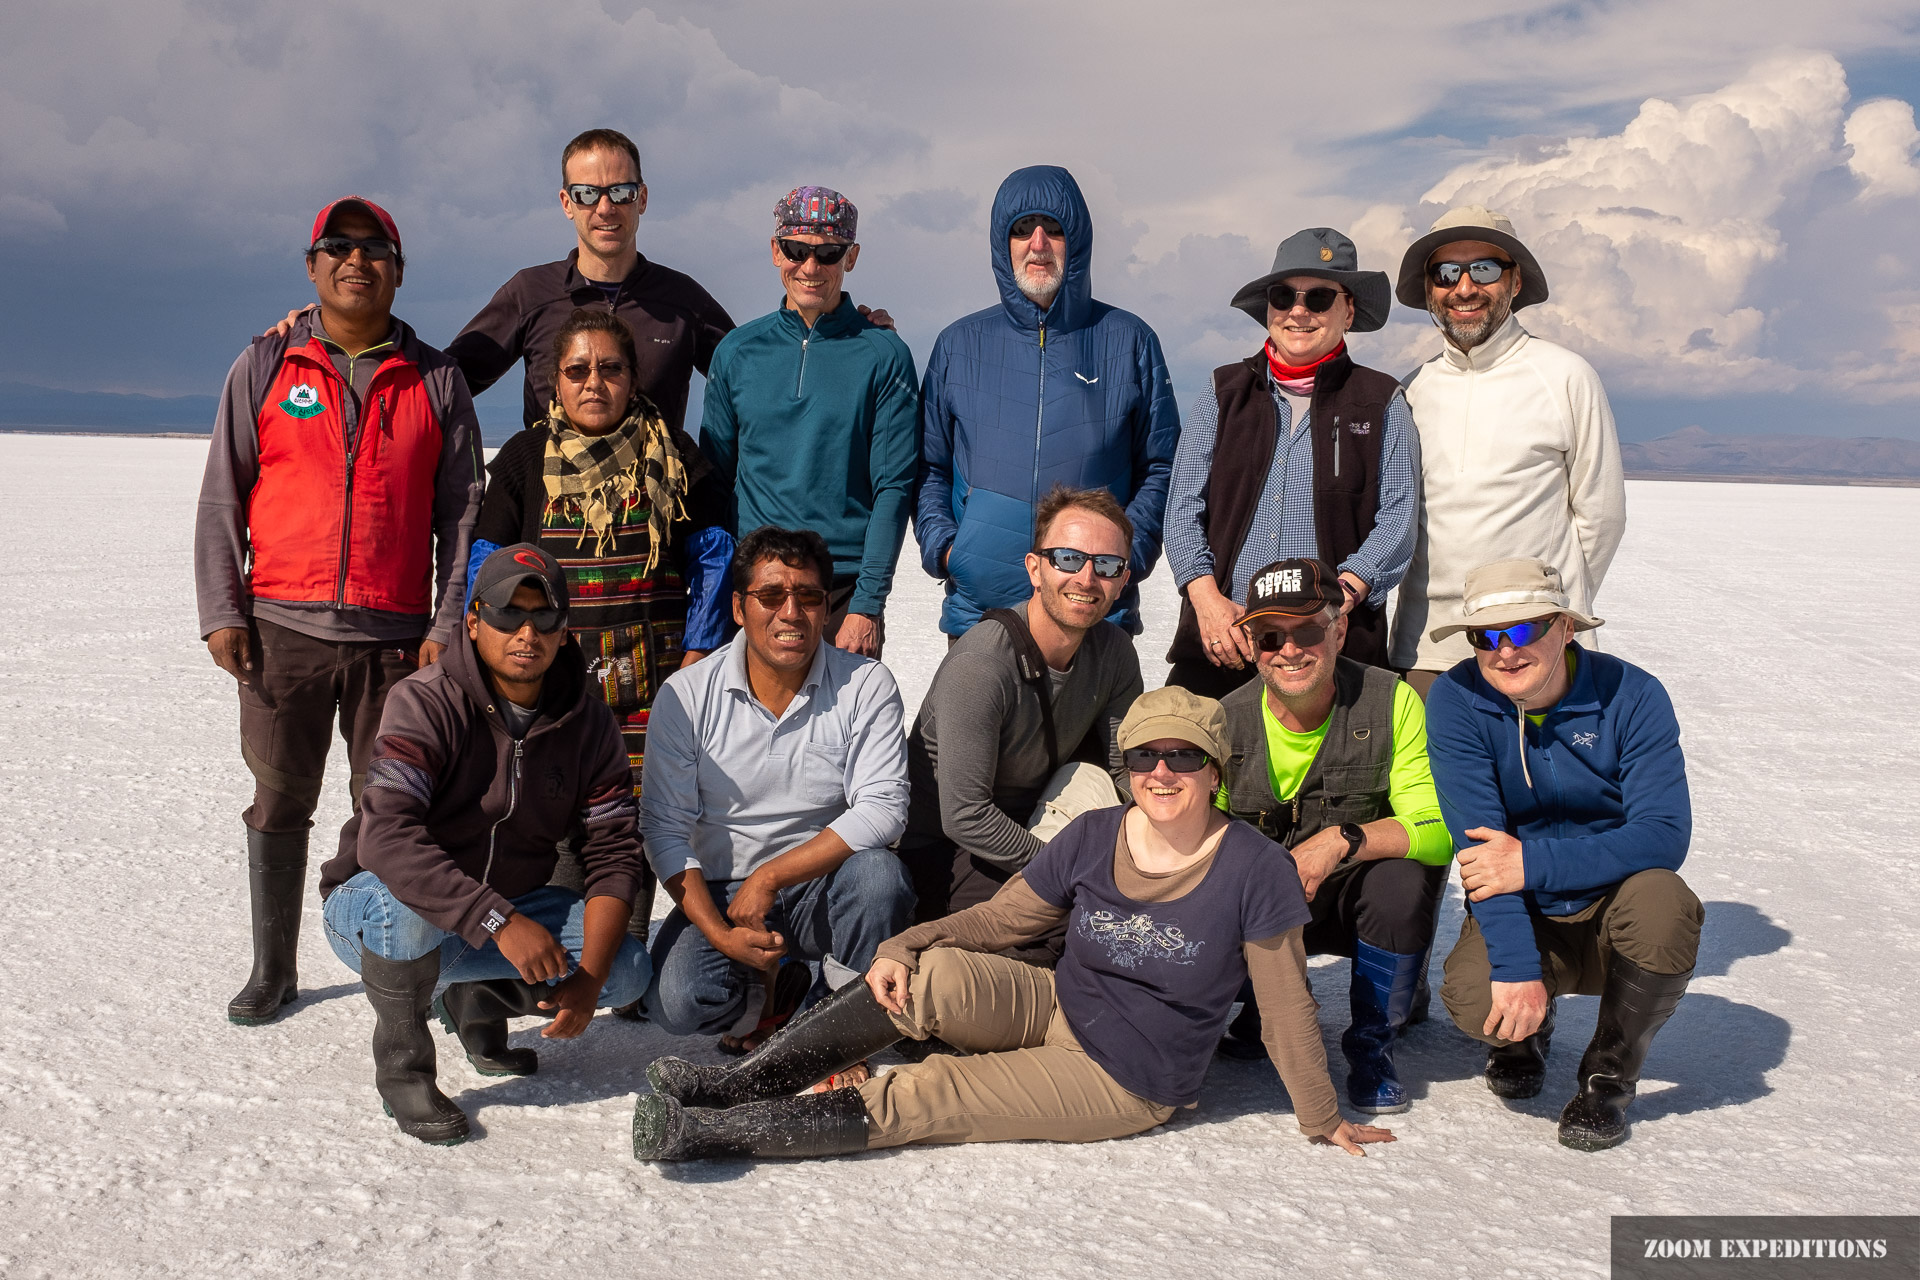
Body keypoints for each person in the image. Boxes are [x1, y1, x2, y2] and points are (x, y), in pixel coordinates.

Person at [631, 686, 1397, 1162]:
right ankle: (734, 1087)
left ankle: (713, 1133)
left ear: (1215, 771)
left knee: (938, 1094)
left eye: (1183, 757)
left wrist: (1322, 1116)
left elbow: (1287, 1002)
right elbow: (1004, 921)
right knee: (930, 978)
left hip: (1124, 1075)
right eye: (1144, 757)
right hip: (1060, 1003)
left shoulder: (1254, 869)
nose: (1161, 772)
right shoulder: (1097, 833)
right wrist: (902, 945)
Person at [196, 195, 483, 1027]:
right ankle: (273, 968)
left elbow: (461, 513)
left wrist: (443, 625)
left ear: (398, 268)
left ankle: (379, 955)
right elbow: (224, 492)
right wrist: (224, 607)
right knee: (281, 796)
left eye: (376, 249)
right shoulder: (268, 365)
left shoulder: (435, 378)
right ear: (313, 265)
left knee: (387, 806)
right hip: (280, 631)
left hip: (395, 641)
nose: (357, 261)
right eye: (339, 247)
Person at [318, 544, 653, 1144]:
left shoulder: (588, 722)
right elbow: (389, 839)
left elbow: (614, 851)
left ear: (563, 630)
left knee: (625, 970)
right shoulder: (424, 701)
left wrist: (590, 977)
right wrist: (496, 920)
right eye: (506, 614)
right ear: (473, 620)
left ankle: (472, 998)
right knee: (408, 905)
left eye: (543, 617)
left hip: (492, 914)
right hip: (372, 911)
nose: (526, 632)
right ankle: (404, 1073)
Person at [466, 308, 734, 971]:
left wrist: (699, 650)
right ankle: (557, 958)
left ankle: (625, 957)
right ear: (554, 381)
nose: (594, 383)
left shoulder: (672, 451)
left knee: (636, 819)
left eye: (610, 369)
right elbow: (487, 561)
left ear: (632, 377)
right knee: (553, 806)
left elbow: (712, 553)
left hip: (655, 676)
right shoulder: (527, 458)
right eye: (577, 370)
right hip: (552, 673)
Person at [1426, 557, 1700, 1151]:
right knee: (1477, 1004)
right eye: (1486, 636)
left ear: (1566, 629)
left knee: (1665, 903)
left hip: (1613, 910)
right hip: (1523, 909)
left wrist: (1533, 862)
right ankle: (1529, 1031)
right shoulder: (1456, 699)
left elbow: (1663, 834)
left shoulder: (1632, 694)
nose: (1505, 651)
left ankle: (1608, 1079)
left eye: (1524, 630)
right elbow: (1481, 853)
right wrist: (1518, 972)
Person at [639, 526, 914, 1054]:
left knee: (880, 877)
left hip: (823, 885)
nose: (791, 612)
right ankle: (769, 995)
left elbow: (883, 809)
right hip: (721, 887)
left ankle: (833, 1033)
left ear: (826, 607)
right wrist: (720, 935)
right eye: (771, 596)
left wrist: (770, 876)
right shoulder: (687, 695)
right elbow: (665, 831)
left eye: (808, 596)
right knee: (679, 1001)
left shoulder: (865, 684)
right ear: (739, 608)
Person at [1210, 558, 1453, 1115]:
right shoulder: (1225, 722)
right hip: (1266, 908)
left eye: (1309, 631)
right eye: (1271, 635)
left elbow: (1438, 829)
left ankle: (1372, 1045)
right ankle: (1262, 1009)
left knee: (1403, 878)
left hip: (1348, 897)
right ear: (1250, 641)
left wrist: (1342, 840)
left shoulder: (1391, 701)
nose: (1289, 650)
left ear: (1340, 629)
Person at [915, 164, 1179, 640]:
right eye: (1021, 230)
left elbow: (1161, 466)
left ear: (1076, 241)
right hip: (980, 616)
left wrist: (1124, 559)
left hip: (1096, 616)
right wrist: (953, 552)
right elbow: (930, 466)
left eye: (1053, 229)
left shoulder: (1129, 341)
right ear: (1003, 244)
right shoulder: (958, 344)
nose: (1037, 243)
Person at [1163, 228, 1417, 695]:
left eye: (1319, 298)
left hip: (1333, 653)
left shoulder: (1382, 401)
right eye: (1284, 296)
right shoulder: (1222, 393)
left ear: (1349, 310)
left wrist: (1339, 600)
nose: (1298, 311)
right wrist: (1207, 601)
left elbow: (1399, 518)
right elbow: (1181, 508)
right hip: (1226, 641)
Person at [1389, 207, 1627, 697]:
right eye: (1447, 272)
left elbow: (1601, 515)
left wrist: (1548, 614)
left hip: (1534, 650)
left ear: (1515, 282)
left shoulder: (1565, 376)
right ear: (1430, 289)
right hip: (1429, 653)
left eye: (1485, 269)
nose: (1465, 287)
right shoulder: (1412, 391)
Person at [899, 485, 1143, 960]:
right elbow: (965, 816)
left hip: (1036, 822)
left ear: (1123, 579)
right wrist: (1062, 873)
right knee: (1071, 923)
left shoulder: (1113, 652)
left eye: (1107, 565)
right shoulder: (982, 665)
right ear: (1035, 568)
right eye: (1068, 559)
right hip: (944, 851)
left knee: (1124, 914)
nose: (1087, 578)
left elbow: (1123, 770)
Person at [699, 186, 919, 658]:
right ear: (776, 250)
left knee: (838, 733)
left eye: (829, 253)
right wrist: (718, 598)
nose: (811, 268)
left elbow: (894, 487)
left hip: (839, 592)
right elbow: (714, 483)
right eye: (797, 250)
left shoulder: (885, 356)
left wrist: (867, 604)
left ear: (851, 256)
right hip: (756, 586)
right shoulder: (737, 353)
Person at [446, 128, 734, 434]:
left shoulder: (684, 301)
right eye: (587, 194)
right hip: (548, 480)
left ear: (643, 199)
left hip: (657, 481)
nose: (605, 208)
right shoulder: (528, 294)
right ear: (567, 203)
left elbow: (752, 385)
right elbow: (441, 388)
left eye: (621, 192)